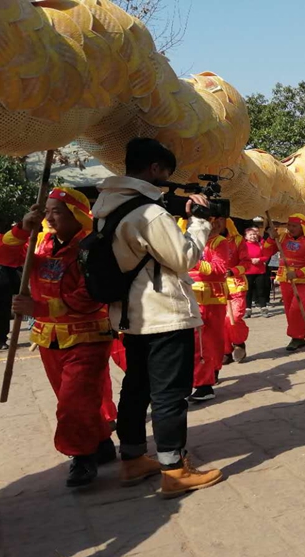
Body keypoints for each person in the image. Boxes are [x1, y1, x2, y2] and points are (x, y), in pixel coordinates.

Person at [92, 137, 222, 498]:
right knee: (169, 394)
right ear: (154, 169)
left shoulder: (106, 204)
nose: (166, 180)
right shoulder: (148, 213)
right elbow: (182, 258)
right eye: (166, 173)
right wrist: (199, 223)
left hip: (131, 315)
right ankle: (174, 470)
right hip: (163, 314)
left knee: (136, 387)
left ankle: (132, 459)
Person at [0, 187, 117, 487]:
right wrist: (22, 229)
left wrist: (40, 307)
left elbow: (92, 294)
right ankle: (100, 442)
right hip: (49, 338)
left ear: (75, 215)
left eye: (55, 211)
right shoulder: (40, 241)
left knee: (74, 402)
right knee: (74, 400)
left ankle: (81, 458)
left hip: (87, 337)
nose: (48, 217)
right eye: (45, 211)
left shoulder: (92, 246)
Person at [185, 216, 231, 403]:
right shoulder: (187, 239)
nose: (216, 224)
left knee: (208, 339)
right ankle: (205, 377)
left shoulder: (220, 242)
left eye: (220, 220)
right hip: (190, 295)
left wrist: (192, 260)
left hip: (212, 297)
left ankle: (206, 381)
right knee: (198, 340)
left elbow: (220, 268)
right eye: (211, 219)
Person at [272, 213, 305, 352]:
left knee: (297, 308)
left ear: (302, 226)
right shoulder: (281, 237)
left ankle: (296, 337)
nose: (291, 228)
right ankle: (299, 336)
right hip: (285, 277)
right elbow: (267, 250)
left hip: (303, 279)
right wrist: (270, 238)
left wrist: (298, 273)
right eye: (289, 225)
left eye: (294, 226)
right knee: (288, 309)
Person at [222, 219, 251, 365]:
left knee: (234, 317)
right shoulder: (205, 238)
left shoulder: (238, 240)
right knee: (220, 321)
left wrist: (232, 271)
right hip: (214, 287)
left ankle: (239, 342)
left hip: (236, 285)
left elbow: (246, 262)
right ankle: (225, 350)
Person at [243, 226, 275, 317]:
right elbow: (241, 257)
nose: (253, 236)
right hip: (247, 271)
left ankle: (263, 308)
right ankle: (247, 309)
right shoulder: (243, 246)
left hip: (260, 271)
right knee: (248, 291)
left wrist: (259, 259)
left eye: (254, 234)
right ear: (246, 237)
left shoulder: (261, 245)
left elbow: (267, 255)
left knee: (261, 291)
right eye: (250, 235)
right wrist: (250, 260)